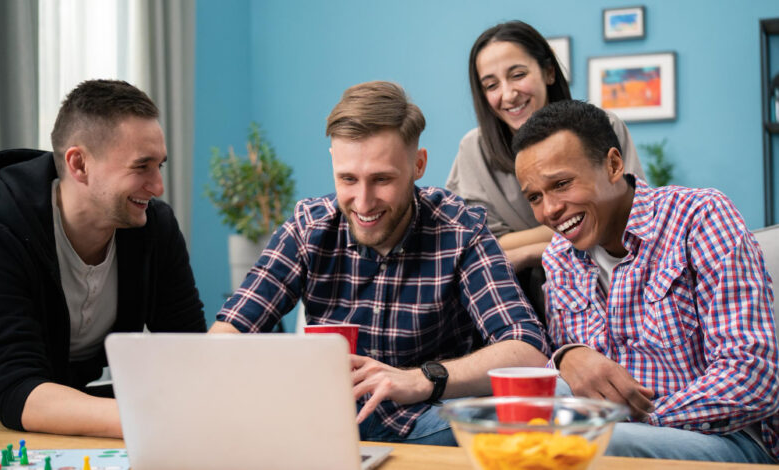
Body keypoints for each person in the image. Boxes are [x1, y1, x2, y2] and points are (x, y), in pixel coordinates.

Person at [210, 81, 550, 446]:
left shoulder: (461, 230)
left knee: (522, 430)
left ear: (418, 164)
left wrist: (420, 379)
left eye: (382, 179)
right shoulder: (309, 229)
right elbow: (226, 339)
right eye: (348, 179)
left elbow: (527, 348)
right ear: (333, 165)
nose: (363, 201)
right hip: (328, 426)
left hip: (429, 421)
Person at [512, 99, 779, 463]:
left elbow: (754, 376)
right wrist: (566, 357)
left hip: (732, 440)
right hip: (615, 435)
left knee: (584, 446)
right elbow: (573, 375)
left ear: (613, 165)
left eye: (561, 184)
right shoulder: (559, 257)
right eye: (534, 197)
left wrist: (638, 417)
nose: (549, 210)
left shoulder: (700, 218)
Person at [0, 79, 207, 438]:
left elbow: (187, 354)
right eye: (142, 167)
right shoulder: (6, 226)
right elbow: (17, 391)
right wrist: (156, 421)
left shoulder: (155, 227)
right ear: (78, 164)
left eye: (160, 166)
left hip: (75, 418)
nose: (158, 186)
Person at [446, 20, 645, 318]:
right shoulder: (474, 150)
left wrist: (529, 250)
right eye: (491, 85)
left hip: (610, 282)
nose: (509, 94)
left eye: (518, 75)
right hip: (514, 295)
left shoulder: (604, 127)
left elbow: (628, 220)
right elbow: (480, 242)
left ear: (549, 72)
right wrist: (576, 226)